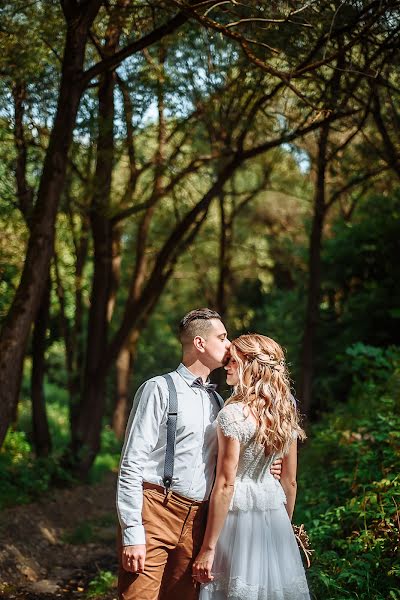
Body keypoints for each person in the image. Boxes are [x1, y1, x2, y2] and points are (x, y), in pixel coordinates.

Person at [116, 309, 282, 600]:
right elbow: (131, 464)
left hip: (198, 522)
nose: (230, 344)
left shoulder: (221, 401)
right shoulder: (159, 389)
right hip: (156, 510)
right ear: (200, 344)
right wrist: (132, 532)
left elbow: (230, 464)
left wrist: (264, 470)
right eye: (222, 337)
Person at [192, 333, 311, 600]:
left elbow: (226, 484)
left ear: (250, 366)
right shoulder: (284, 414)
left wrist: (208, 548)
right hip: (275, 518)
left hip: (236, 520)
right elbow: (290, 482)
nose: (227, 366)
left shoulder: (233, 415)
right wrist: (283, 529)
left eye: (233, 361)